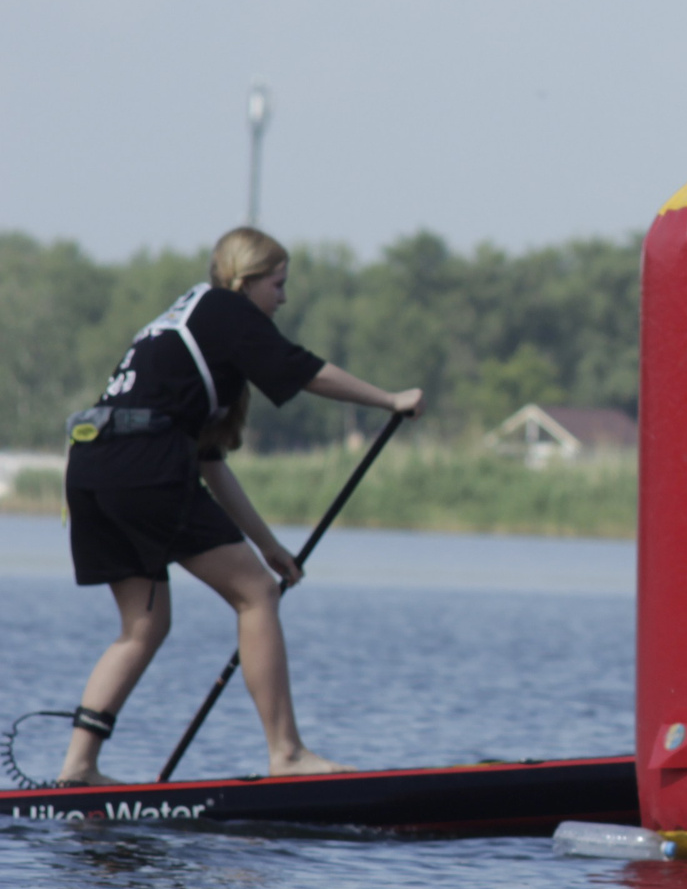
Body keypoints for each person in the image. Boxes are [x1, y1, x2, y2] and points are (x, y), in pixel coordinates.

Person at [56, 227, 423, 785]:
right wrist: (389, 399)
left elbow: (209, 464)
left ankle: (77, 769)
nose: (283, 298)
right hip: (143, 467)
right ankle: (288, 754)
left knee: (143, 625)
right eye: (279, 284)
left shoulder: (185, 324)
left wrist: (270, 547)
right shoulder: (223, 308)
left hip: (93, 468)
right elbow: (305, 371)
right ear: (248, 281)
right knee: (255, 595)